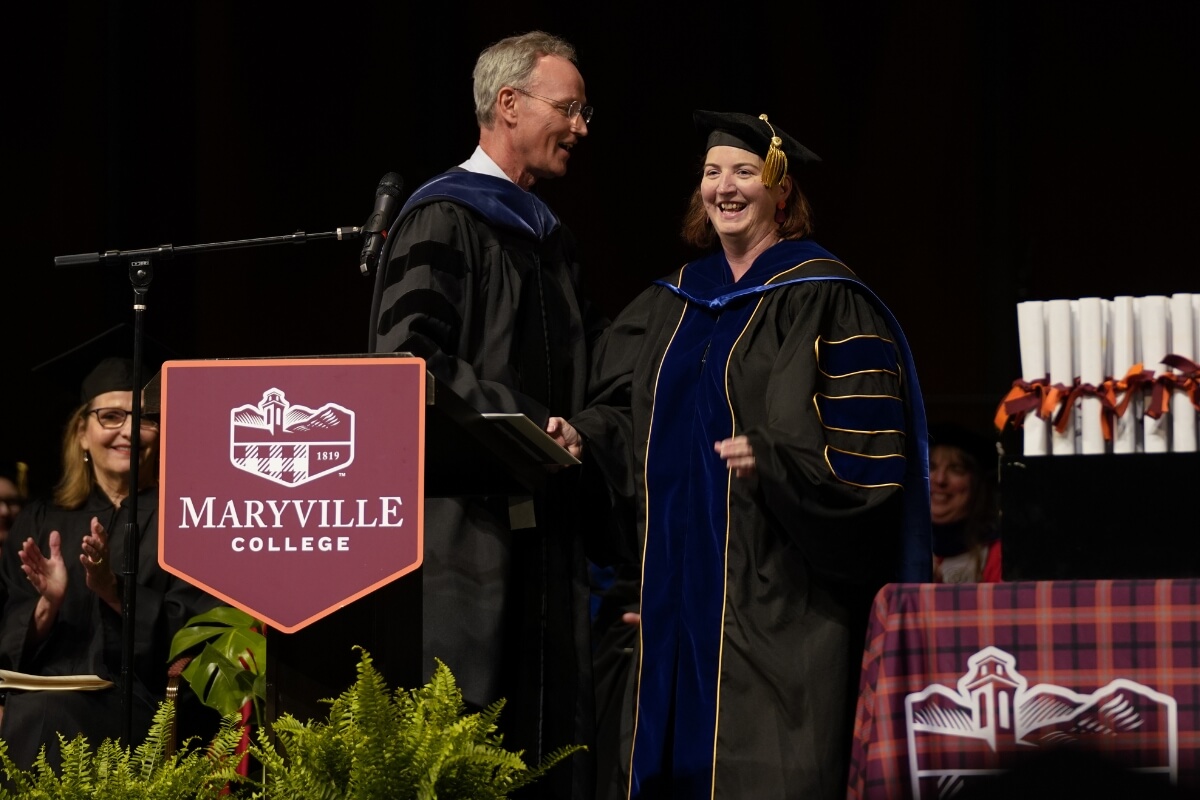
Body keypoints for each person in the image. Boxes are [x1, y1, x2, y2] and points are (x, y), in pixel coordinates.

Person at [551, 111, 931, 799]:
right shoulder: (669, 303)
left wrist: (777, 462)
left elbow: (869, 460)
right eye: (711, 173)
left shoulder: (826, 299)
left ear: (780, 191)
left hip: (777, 601)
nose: (724, 188)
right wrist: (587, 433)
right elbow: (623, 413)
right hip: (669, 603)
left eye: (744, 173)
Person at [368, 30, 606, 799]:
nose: (581, 127)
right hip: (458, 535)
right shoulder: (441, 218)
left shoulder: (551, 240)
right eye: (568, 109)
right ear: (508, 103)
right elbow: (407, 364)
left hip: (544, 533)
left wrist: (583, 427)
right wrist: (533, 421)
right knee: (463, 737)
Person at [0, 357, 216, 770]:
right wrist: (48, 604)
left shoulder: (190, 517)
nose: (130, 431)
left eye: (146, 418)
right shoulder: (41, 519)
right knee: (36, 710)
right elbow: (8, 620)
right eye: (111, 416)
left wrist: (115, 592)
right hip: (36, 695)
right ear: (82, 433)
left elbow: (199, 625)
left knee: (41, 716)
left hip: (141, 702)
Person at [929, 423, 1001, 583]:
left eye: (956, 469)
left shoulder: (996, 552)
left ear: (976, 483)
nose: (940, 480)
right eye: (931, 467)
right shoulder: (898, 548)